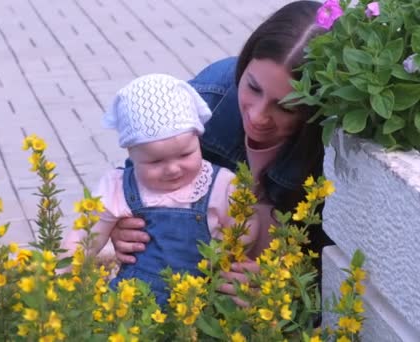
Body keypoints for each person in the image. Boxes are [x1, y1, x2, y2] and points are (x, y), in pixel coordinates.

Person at [109, 0, 334, 301]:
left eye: (285, 106)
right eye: (253, 88)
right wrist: (122, 225)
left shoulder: (330, 150)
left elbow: (329, 270)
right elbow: (134, 177)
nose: (257, 116)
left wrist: (287, 287)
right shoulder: (205, 98)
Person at [62, 73, 259, 305]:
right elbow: (84, 235)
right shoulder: (117, 186)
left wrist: (230, 251)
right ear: (131, 155)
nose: (173, 169)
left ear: (198, 139)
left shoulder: (221, 184)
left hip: (202, 300)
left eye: (186, 154)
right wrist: (59, 274)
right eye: (155, 162)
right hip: (136, 300)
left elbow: (247, 228)